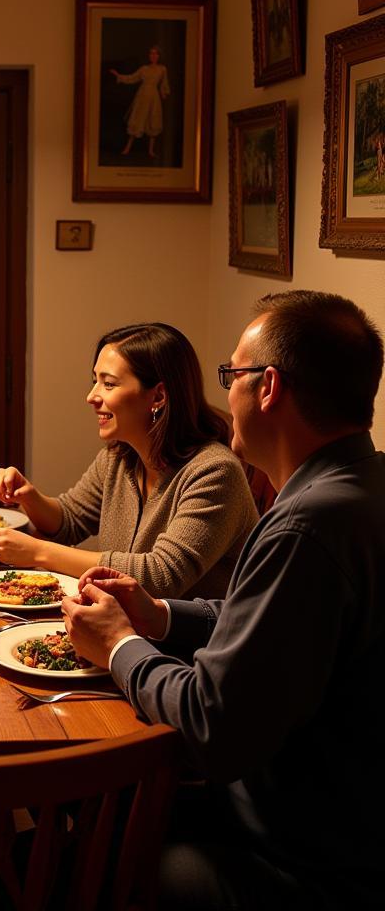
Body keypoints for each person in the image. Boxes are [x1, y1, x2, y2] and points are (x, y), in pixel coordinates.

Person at [63, 291, 385, 910]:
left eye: (229, 375)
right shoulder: (353, 490)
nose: (223, 394)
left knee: (84, 842)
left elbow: (212, 726)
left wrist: (119, 647)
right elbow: (258, 619)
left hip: (301, 855)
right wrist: (159, 616)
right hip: (325, 812)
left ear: (267, 387)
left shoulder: (306, 529)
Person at [0, 323, 257, 599]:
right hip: (123, 628)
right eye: (95, 381)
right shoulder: (119, 458)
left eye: (109, 384)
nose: (91, 397)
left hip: (189, 641)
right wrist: (29, 496)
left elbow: (160, 576)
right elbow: (68, 522)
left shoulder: (215, 472)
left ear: (158, 396)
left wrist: (39, 552)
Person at [109, 45, 170, 158]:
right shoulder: (144, 69)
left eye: (155, 53)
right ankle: (127, 148)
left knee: (153, 120)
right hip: (142, 96)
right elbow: (132, 78)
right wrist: (118, 75)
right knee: (137, 119)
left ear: (159, 56)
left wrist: (163, 93)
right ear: (149, 56)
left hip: (153, 97)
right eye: (151, 53)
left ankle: (151, 151)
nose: (153, 56)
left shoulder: (162, 69)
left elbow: (164, 83)